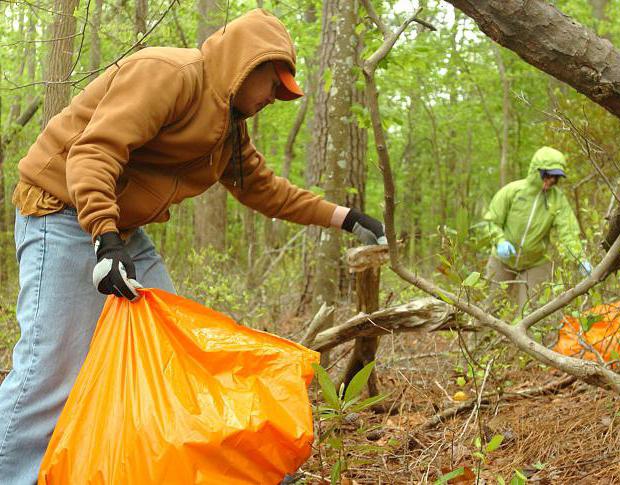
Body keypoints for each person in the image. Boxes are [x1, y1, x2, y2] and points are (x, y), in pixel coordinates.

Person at [0, 9, 385, 483]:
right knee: (49, 371)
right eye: (273, 83)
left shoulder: (227, 130)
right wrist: (103, 238)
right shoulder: (169, 74)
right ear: (247, 64)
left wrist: (346, 218)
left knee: (173, 351)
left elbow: (263, 189)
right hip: (59, 212)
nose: (274, 98)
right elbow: (94, 151)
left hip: (120, 229)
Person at [483, 146, 592, 314]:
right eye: (547, 175)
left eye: (555, 178)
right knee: (491, 308)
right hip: (502, 259)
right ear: (536, 171)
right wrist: (500, 241)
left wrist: (579, 258)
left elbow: (568, 233)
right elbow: (491, 221)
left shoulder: (558, 200)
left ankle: (525, 340)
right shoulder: (512, 191)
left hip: (535, 263)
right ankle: (480, 340)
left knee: (531, 313)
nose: (551, 181)